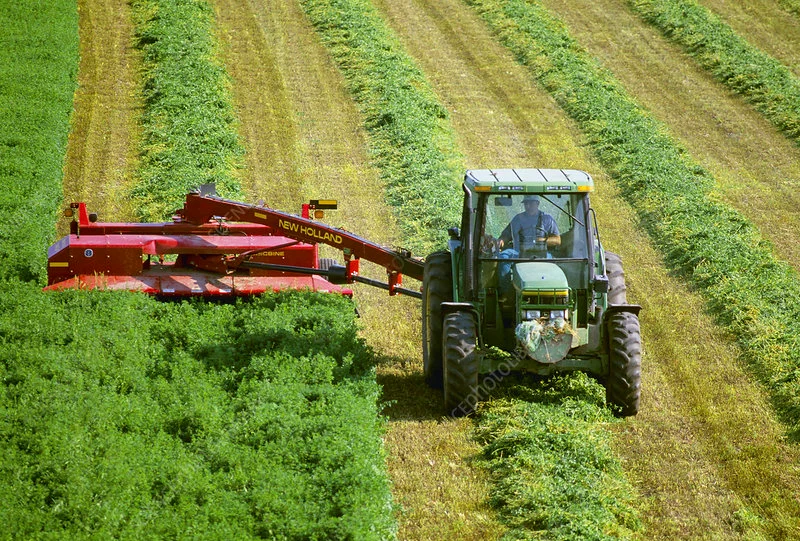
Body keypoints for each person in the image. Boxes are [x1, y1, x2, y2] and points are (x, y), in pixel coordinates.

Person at [497, 195, 561, 295]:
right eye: (526, 203)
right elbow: (506, 235)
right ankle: (507, 294)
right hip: (518, 252)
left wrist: (543, 240)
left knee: (553, 263)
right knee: (503, 257)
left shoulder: (547, 219)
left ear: (537, 204)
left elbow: (557, 240)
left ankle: (550, 293)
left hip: (541, 252)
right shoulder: (518, 219)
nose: (528, 206)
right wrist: (501, 241)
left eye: (531, 203)